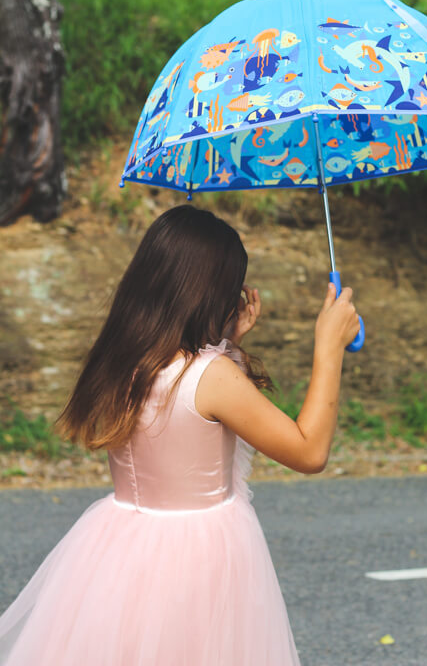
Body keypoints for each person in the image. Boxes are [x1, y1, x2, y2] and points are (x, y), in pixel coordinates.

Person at [0, 204, 360, 666]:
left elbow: (183, 410)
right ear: (212, 294)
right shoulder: (211, 375)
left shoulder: (124, 357)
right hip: (200, 555)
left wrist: (226, 342)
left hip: (119, 542)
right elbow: (309, 451)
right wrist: (328, 348)